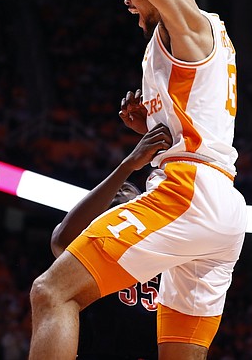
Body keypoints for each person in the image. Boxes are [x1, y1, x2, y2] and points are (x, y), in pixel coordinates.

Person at [28, 0, 247, 358]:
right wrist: (155, 126)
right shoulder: (178, 43)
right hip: (219, 203)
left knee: (51, 293)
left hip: (190, 192)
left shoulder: (187, 20)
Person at [50, 124, 173, 360]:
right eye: (114, 192)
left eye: (128, 190)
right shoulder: (94, 243)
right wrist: (127, 166)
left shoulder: (165, 248)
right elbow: (61, 240)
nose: (120, 191)